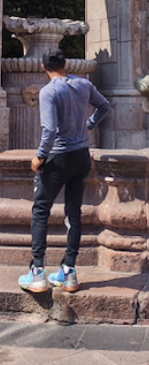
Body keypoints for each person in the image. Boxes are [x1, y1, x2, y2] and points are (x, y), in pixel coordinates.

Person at [20, 50, 111, 294]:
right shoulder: (83, 83)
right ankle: (69, 271)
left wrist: (39, 156)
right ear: (65, 64)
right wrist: (89, 125)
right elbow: (105, 106)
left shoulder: (48, 91)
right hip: (81, 157)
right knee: (73, 213)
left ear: (43, 67)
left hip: (58, 158)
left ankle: (37, 272)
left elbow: (49, 130)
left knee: (40, 210)